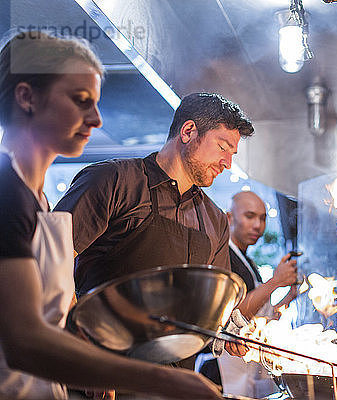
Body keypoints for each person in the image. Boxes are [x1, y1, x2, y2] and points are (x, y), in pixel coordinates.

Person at [0, 30, 222, 399]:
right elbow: (25, 341)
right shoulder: (7, 193)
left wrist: (89, 353)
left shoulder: (34, 197)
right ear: (27, 97)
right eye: (81, 101)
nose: (97, 119)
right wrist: (163, 380)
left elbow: (50, 318)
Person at [54, 92, 254, 296]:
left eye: (232, 154)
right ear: (188, 131)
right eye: (222, 148)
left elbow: (215, 298)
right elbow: (51, 259)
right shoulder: (112, 180)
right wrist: (70, 323)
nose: (228, 163)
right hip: (97, 326)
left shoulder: (216, 220)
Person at [198, 191, 299, 398]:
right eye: (250, 216)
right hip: (220, 367)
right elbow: (234, 316)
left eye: (262, 218)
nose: (258, 226)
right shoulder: (223, 256)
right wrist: (276, 281)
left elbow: (258, 315)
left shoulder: (246, 260)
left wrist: (290, 295)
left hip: (243, 363)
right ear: (229, 218)